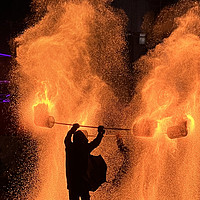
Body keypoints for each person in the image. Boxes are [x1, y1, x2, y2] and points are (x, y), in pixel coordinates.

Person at [64, 123, 105, 200]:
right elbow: (96, 143)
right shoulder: (85, 148)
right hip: (83, 182)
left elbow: (67, 138)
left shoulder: (70, 148)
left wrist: (73, 129)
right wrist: (100, 133)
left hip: (72, 183)